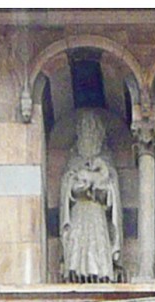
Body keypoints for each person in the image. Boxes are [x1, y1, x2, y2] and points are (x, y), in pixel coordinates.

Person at [59, 110, 122, 282]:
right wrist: (75, 187)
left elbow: (112, 191)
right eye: (85, 130)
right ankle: (75, 273)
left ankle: (100, 275)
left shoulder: (105, 161)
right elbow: (67, 186)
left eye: (93, 130)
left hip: (97, 211)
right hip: (79, 210)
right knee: (77, 242)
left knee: (97, 241)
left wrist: (99, 187)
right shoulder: (74, 161)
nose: (89, 134)